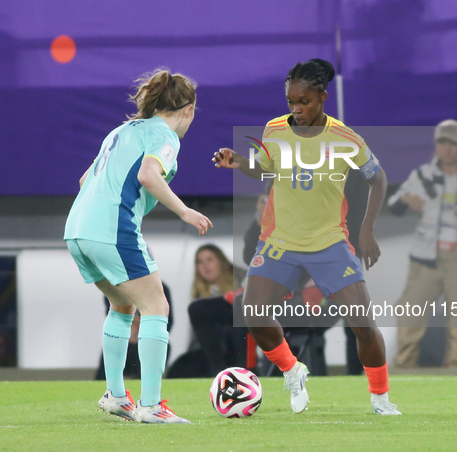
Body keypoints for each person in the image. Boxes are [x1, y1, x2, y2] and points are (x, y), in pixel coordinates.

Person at [213, 59, 400, 415]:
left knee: (363, 324)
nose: (296, 109)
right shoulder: (274, 130)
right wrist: (239, 160)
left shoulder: (345, 138)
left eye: (304, 101)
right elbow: (265, 169)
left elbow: (378, 179)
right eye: (290, 102)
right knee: (253, 311)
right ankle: (292, 370)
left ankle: (380, 398)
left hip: (329, 242)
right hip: (279, 241)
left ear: (323, 97)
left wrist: (366, 230)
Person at [64, 68, 212, 424]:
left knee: (122, 304)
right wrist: (184, 210)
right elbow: (148, 174)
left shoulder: (121, 130)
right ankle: (151, 405)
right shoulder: (165, 135)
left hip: (77, 228)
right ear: (187, 110)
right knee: (157, 307)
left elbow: (86, 178)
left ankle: (116, 395)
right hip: (112, 228)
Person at [388, 120, 457, 369]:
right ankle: (405, 367)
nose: (448, 148)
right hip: (425, 257)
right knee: (410, 311)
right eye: (443, 142)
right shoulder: (422, 175)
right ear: (436, 145)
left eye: (453, 143)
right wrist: (407, 200)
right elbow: (393, 205)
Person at [188, 244, 248, 376]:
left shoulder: (242, 278)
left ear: (221, 261)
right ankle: (218, 372)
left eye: (210, 260)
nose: (205, 266)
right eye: (200, 262)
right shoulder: (200, 293)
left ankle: (238, 372)